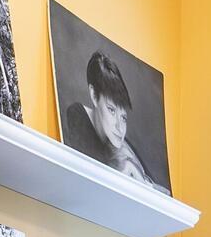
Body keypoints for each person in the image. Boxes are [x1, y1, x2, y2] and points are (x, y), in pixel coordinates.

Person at [64, 51, 158, 189]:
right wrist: (126, 168)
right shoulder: (77, 114)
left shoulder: (121, 143)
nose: (120, 128)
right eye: (111, 110)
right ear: (94, 95)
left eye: (123, 117)